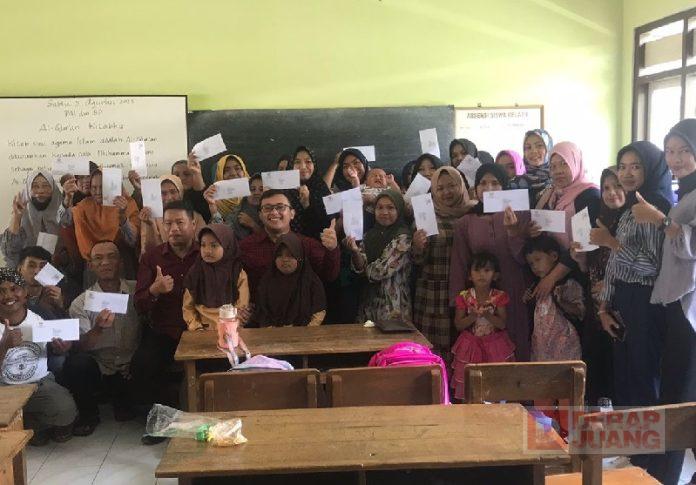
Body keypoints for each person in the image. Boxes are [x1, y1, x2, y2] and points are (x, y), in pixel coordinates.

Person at [632, 119, 696, 485]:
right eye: (670, 151)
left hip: (690, 307)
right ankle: (663, 472)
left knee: (679, 397)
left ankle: (664, 476)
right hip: (675, 301)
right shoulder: (684, 193)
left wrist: (659, 220)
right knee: (676, 392)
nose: (676, 159)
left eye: (684, 150)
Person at [594, 141, 673, 411]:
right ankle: (630, 439)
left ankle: (647, 439)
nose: (626, 174)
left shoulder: (653, 207)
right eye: (622, 167)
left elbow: (651, 266)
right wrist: (604, 307)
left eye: (635, 167)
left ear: (650, 169)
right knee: (624, 379)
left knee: (643, 379)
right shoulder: (630, 207)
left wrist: (611, 242)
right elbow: (616, 264)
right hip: (623, 299)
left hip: (645, 302)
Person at [449, 164, 533, 360]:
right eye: (483, 183)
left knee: (515, 342)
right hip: (481, 295)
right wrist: (456, 300)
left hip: (514, 289)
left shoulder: (520, 214)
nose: (489, 188)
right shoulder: (465, 222)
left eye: (495, 183)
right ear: (475, 188)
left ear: (504, 187)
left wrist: (513, 231)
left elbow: (524, 258)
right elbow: (460, 263)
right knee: (483, 348)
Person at [132, 200, 200, 424]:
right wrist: (155, 290)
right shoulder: (152, 258)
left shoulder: (206, 253)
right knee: (143, 363)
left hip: (201, 330)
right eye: (168, 223)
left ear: (193, 224)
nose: (173, 229)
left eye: (180, 222)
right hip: (164, 330)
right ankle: (158, 423)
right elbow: (139, 304)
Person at [64, 241, 140, 435]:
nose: (105, 262)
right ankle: (89, 415)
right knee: (77, 363)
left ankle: (126, 402)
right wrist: (97, 329)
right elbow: (81, 347)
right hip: (101, 367)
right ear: (91, 265)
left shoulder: (137, 291)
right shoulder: (81, 303)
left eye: (111, 256)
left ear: (121, 262)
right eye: (98, 258)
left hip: (132, 364)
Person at [0, 269, 76, 446]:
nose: (8, 295)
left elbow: (61, 346)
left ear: (25, 292)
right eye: (1, 291)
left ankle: (30, 424)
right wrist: (4, 347)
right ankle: (32, 426)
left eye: (14, 289)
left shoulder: (41, 316)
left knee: (65, 411)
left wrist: (62, 348)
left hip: (38, 384)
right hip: (3, 388)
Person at [571, 168, 625, 405]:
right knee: (596, 374)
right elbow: (590, 268)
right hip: (596, 311)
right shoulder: (599, 220)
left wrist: (612, 284)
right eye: (606, 188)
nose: (612, 193)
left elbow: (643, 266)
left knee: (620, 377)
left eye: (618, 186)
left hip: (622, 310)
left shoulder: (632, 222)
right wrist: (580, 258)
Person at [412, 166, 474, 357]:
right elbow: (417, 261)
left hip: (467, 290)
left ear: (460, 185)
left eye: (451, 186)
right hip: (434, 293)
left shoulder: (473, 212)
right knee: (433, 351)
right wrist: (418, 247)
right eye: (440, 188)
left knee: (466, 346)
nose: (446, 192)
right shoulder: (427, 215)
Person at [239, 189, 340, 295]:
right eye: (267, 208)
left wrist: (332, 249)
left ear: (292, 214)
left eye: (280, 207)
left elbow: (329, 276)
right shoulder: (246, 246)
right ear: (260, 215)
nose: (274, 212)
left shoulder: (308, 245)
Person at [450, 252, 515, 400]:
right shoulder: (464, 296)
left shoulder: (499, 296)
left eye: (487, 270)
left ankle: (495, 408)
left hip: (495, 344)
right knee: (470, 382)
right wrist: (473, 316)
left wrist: (487, 315)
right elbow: (459, 325)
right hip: (470, 345)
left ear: (495, 275)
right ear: (469, 275)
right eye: (477, 270)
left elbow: (502, 324)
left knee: (495, 382)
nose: (482, 274)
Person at [346, 190, 412, 322]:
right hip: (368, 304)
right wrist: (355, 251)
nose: (384, 212)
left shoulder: (404, 237)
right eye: (379, 207)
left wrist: (362, 267)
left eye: (390, 208)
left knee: (392, 336)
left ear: (399, 210)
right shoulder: (369, 235)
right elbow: (359, 267)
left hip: (393, 306)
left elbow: (379, 271)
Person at [524, 236, 583, 361]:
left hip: (565, 342)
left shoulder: (567, 284)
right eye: (531, 264)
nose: (535, 266)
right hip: (541, 344)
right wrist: (528, 298)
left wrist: (562, 302)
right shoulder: (535, 286)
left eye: (538, 260)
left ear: (554, 256)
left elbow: (580, 311)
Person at [182, 224, 250, 331]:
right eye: (203, 245)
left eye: (214, 246)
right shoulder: (195, 272)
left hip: (232, 326)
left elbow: (242, 305)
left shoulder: (237, 272)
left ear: (227, 246)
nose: (207, 250)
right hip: (202, 328)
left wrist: (232, 326)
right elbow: (188, 307)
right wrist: (196, 327)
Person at [252, 232, 327, 327]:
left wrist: (306, 331)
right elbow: (262, 312)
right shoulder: (266, 281)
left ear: (299, 256)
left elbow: (319, 311)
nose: (285, 259)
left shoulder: (311, 281)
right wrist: (272, 332)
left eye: (290, 255)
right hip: (272, 333)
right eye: (279, 255)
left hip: (305, 332)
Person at [535, 141, 600, 249]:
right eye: (553, 166)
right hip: (551, 254)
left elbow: (586, 244)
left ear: (575, 163)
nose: (558, 171)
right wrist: (535, 231)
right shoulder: (552, 193)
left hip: (576, 257)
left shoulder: (590, 195)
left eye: (564, 163)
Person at [69, 169, 140, 261]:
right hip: (93, 261)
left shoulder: (127, 203)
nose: (98, 192)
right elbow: (65, 222)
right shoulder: (84, 206)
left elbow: (133, 241)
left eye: (102, 187)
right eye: (94, 188)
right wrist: (67, 199)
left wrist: (122, 217)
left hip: (120, 259)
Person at [1, 170, 62, 267]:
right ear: (28, 190)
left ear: (53, 189)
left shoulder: (64, 213)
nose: (40, 191)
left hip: (55, 271)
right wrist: (17, 216)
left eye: (46, 186)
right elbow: (9, 252)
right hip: (22, 271)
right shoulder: (21, 213)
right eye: (35, 186)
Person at [139, 174, 205, 255]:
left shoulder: (194, 216)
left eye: (173, 192)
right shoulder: (150, 218)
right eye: (163, 193)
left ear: (180, 193)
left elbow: (203, 245)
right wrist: (149, 225)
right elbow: (148, 251)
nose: (169, 197)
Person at [285, 146, 333, 240]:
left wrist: (307, 205)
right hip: (287, 243)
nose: (303, 167)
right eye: (297, 162)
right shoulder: (284, 190)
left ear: (314, 165)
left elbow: (326, 225)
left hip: (314, 243)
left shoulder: (321, 188)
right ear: (291, 166)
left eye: (308, 161)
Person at [205, 173, 263, 240]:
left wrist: (253, 225)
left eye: (261, 190)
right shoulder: (239, 209)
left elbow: (270, 237)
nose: (256, 193)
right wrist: (213, 208)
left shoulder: (269, 212)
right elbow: (224, 232)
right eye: (252, 189)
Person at [17, 246, 66, 319]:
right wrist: (41, 308)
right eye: (31, 266)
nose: (37, 271)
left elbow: (67, 324)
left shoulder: (55, 294)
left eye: (42, 267)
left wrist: (60, 307)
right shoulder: (13, 295)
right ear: (19, 268)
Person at [209, 154, 250, 220]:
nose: (233, 173)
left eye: (237, 168)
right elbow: (218, 226)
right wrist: (214, 210)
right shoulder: (213, 201)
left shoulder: (257, 192)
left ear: (244, 171)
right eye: (226, 170)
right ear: (220, 175)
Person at [171, 157, 211, 223]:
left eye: (186, 174)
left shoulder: (205, 197)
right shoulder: (169, 198)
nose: (182, 178)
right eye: (177, 175)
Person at [522, 129, 554, 202]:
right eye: (528, 147)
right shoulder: (515, 185)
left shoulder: (559, 181)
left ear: (549, 148)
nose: (533, 151)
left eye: (539, 146)